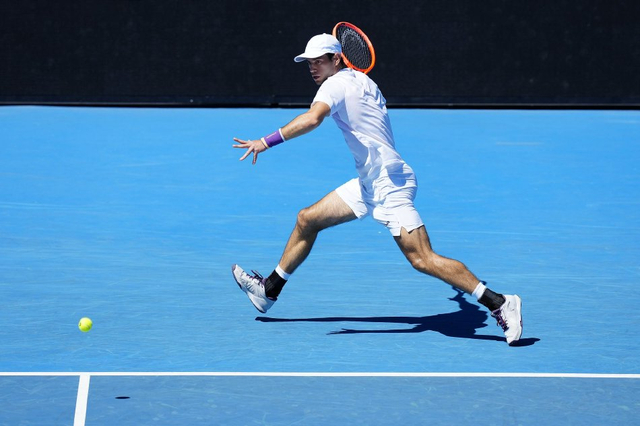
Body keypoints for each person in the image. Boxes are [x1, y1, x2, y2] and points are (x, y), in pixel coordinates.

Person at [231, 33, 523, 345]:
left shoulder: (334, 85)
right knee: (308, 219)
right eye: (309, 63)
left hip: (388, 184)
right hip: (370, 182)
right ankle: (269, 290)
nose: (313, 68)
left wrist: (266, 141)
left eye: (319, 61)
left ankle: (500, 302)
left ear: (336, 59)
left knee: (422, 258)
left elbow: (313, 119)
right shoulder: (363, 81)